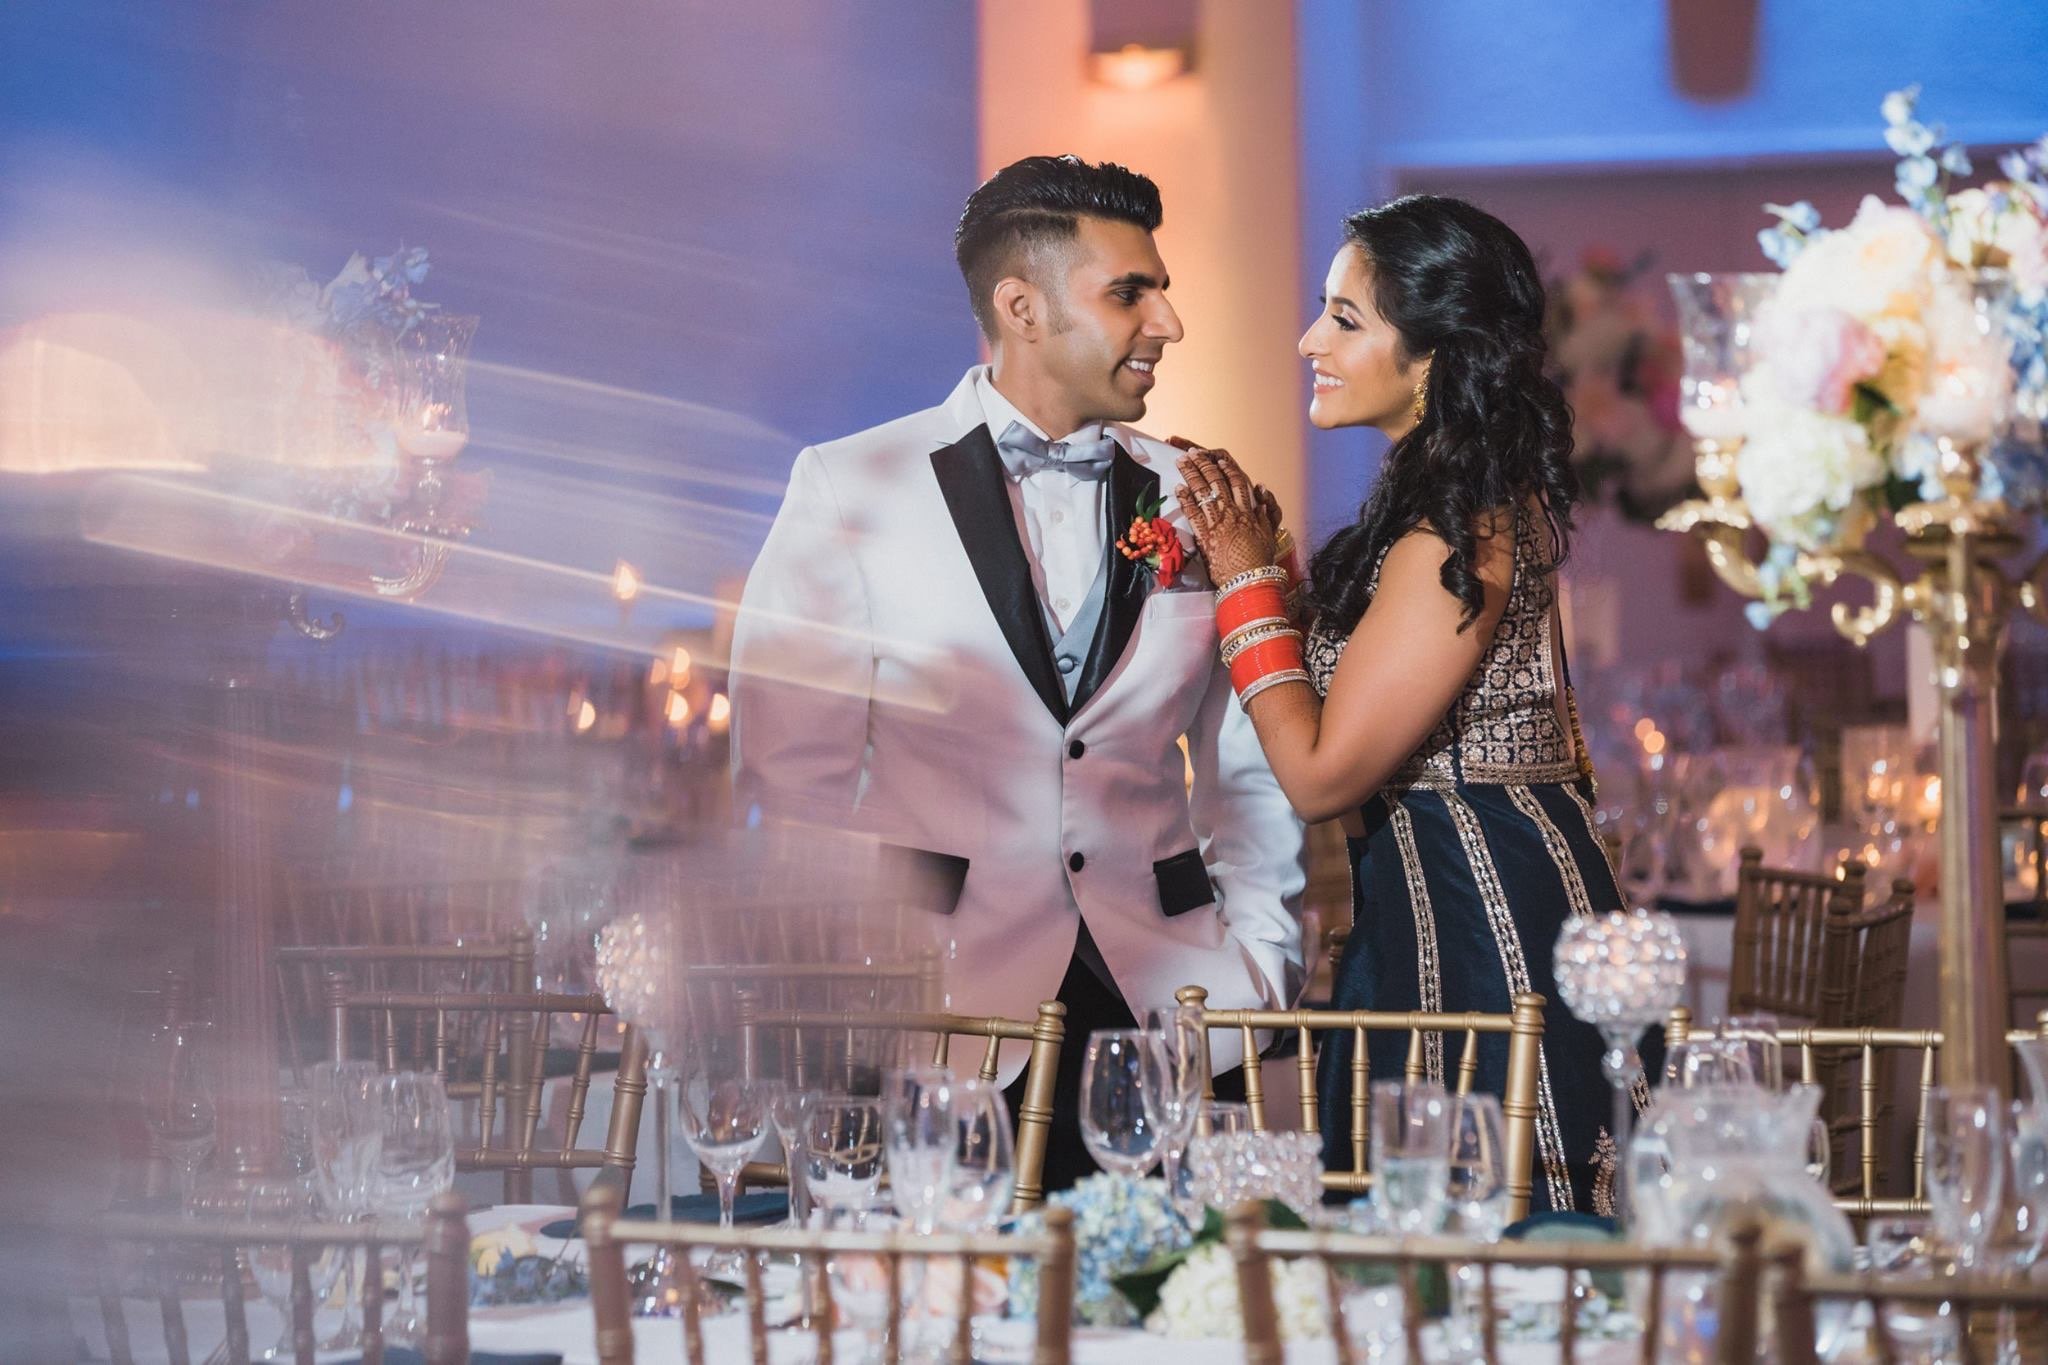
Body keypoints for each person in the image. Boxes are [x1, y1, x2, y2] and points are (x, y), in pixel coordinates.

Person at [729, 155, 1306, 1190]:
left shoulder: (1201, 495)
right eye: (1131, 292)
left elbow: (1251, 770)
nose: (1166, 321)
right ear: (1020, 306)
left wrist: (1262, 964)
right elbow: (789, 783)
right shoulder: (848, 484)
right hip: (938, 1011)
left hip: (1168, 1001)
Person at [1175, 194, 1622, 1214]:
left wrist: (1246, 583)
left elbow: (1321, 773)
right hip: (1426, 906)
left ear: (1431, 355)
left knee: (1494, 1239)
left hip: (1486, 920)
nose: (1307, 341)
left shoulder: (1461, 530)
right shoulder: (1437, 504)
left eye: (1343, 319)